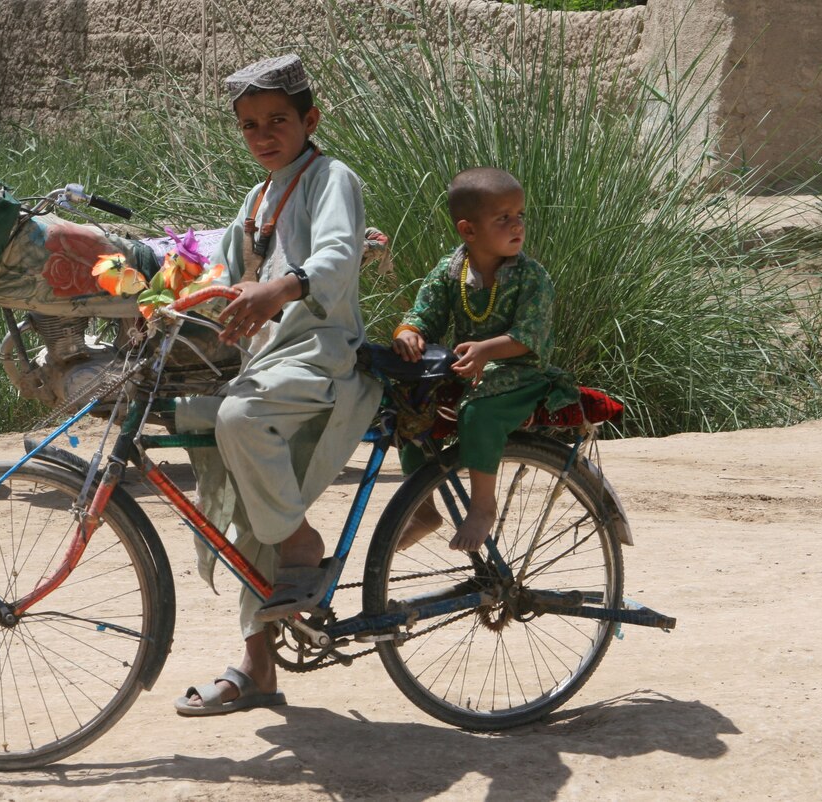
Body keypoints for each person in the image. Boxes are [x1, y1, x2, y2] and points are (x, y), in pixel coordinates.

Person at [172, 54, 381, 715]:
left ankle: (298, 541)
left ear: (309, 120)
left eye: (277, 121)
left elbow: (340, 255)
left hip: (322, 360)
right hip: (268, 366)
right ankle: (256, 668)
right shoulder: (256, 199)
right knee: (217, 457)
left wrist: (279, 289)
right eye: (249, 125)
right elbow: (221, 267)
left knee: (237, 422)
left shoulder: (331, 179)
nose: (263, 135)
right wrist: (162, 285)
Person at [392, 167, 578, 551]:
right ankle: (424, 509)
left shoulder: (531, 277)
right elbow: (425, 314)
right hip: (468, 368)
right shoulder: (451, 272)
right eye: (503, 218)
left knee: (477, 412)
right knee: (406, 405)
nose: (517, 226)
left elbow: (530, 336)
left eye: (520, 215)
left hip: (520, 373)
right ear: (468, 231)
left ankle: (482, 507)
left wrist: (486, 350)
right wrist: (410, 332)